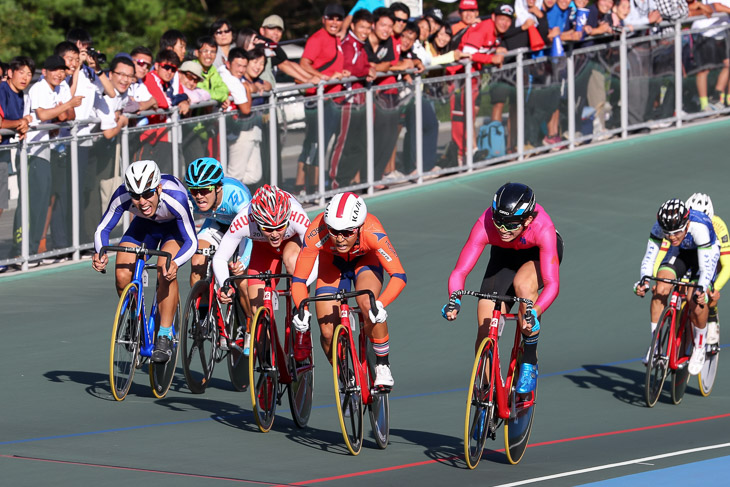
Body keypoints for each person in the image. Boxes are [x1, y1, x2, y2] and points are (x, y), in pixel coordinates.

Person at [443, 183, 563, 394]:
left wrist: (535, 311)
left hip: (535, 254)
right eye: (499, 221)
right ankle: (487, 394)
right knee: (484, 328)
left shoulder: (543, 228)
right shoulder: (487, 222)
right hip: (504, 256)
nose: (502, 229)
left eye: (510, 224)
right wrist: (455, 299)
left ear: (527, 220)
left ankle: (528, 361)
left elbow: (553, 284)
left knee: (524, 286)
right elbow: (459, 271)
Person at [291, 192, 407, 389]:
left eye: (347, 232)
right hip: (332, 265)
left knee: (368, 304)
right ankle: (344, 374)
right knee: (327, 332)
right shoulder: (316, 232)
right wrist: (302, 311)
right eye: (334, 231)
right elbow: (299, 279)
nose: (339, 238)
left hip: (365, 261)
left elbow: (399, 275)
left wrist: (380, 304)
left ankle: (382, 364)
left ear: (359, 228)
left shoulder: (373, 231)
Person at [92, 160, 197, 362]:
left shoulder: (176, 198)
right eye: (136, 196)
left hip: (174, 229)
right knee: (122, 272)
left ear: (158, 188)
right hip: (145, 226)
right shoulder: (122, 195)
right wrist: (100, 252)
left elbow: (192, 241)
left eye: (148, 194)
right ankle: (133, 320)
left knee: (164, 269)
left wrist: (176, 263)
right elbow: (102, 229)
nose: (142, 201)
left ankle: (165, 335)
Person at [213, 185, 313, 354]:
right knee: (257, 309)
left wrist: (300, 287)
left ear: (287, 218)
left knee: (292, 260)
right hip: (263, 250)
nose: (274, 234)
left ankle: (301, 317)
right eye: (267, 228)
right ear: (257, 221)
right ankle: (271, 361)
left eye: (280, 227)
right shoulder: (244, 219)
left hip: (292, 243)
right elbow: (220, 257)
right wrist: (224, 285)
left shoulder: (296, 215)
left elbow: (313, 255)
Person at [634, 198, 720, 375]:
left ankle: (700, 346)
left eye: (676, 233)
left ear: (687, 224)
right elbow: (649, 258)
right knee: (660, 289)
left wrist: (702, 289)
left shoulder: (700, 228)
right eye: (668, 234)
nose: (671, 237)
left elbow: (705, 267)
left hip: (705, 255)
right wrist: (643, 281)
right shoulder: (660, 227)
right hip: (680, 252)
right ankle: (656, 345)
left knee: (694, 299)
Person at [295, 3, 350, 195]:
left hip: (330, 100)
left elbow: (331, 66)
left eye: (338, 18)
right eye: (331, 18)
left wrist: (338, 73)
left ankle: (307, 187)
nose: (335, 22)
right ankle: (313, 189)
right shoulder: (318, 38)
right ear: (324, 19)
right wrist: (324, 77)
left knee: (318, 143)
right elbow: (304, 63)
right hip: (319, 99)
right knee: (316, 144)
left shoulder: (336, 39)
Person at [184, 157, 252, 289]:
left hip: (244, 229)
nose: (199, 196)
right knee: (198, 261)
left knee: (242, 281)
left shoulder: (236, 197)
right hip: (216, 223)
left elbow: (251, 232)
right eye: (194, 190)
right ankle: (203, 309)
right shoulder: (190, 199)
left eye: (205, 190)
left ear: (218, 187)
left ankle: (248, 310)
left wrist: (243, 261)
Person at [0, 56, 34, 224]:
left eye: (29, 74)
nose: (25, 78)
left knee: (1, 202)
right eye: (21, 73)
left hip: (4, 152)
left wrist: (23, 123)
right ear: (10, 72)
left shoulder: (20, 94)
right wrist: (20, 123)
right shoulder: (2, 89)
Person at [193, 36, 230, 104]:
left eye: (213, 52)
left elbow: (224, 89)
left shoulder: (212, 69)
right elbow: (202, 92)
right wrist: (223, 97)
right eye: (205, 51)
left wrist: (222, 95)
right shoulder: (192, 69)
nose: (209, 55)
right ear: (197, 53)